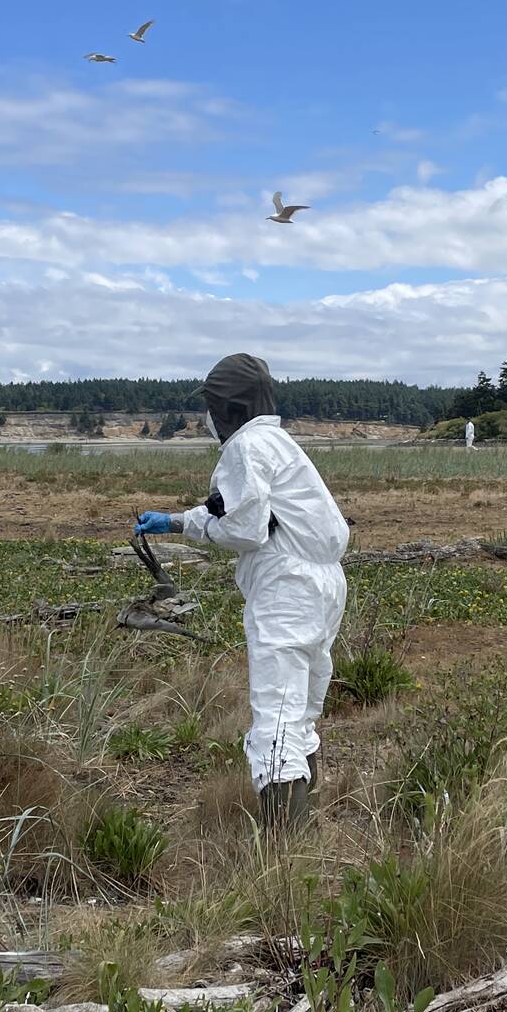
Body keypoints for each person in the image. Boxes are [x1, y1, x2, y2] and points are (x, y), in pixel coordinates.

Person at [136, 354, 348, 828]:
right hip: (323, 585)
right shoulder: (277, 442)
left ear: (225, 405)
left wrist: (204, 527)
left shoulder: (246, 447)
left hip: (287, 588)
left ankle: (283, 855)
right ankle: (304, 830)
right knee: (300, 712)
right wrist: (174, 521)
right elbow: (246, 512)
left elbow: (246, 528)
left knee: (275, 718)